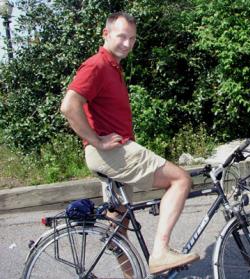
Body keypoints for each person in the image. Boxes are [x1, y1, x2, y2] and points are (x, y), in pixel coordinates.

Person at [60, 12, 199, 276]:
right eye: (122, 36)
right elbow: (69, 106)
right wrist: (96, 140)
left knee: (118, 228)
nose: (127, 44)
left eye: (132, 39)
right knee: (180, 180)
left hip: (113, 152)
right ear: (106, 34)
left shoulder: (114, 67)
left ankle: (129, 274)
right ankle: (160, 253)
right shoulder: (96, 65)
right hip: (112, 152)